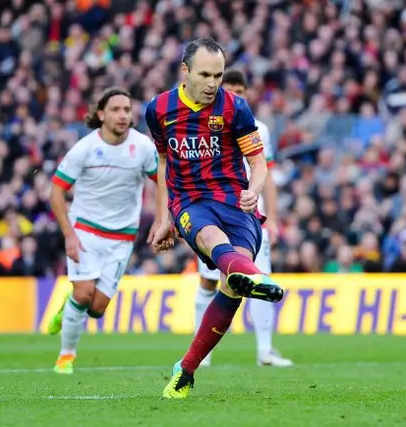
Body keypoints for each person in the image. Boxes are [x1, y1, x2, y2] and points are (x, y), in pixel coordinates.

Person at [145, 37, 284, 399]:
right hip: (190, 201)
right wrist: (164, 217)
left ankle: (185, 369)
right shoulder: (158, 109)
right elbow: (162, 163)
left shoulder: (236, 108)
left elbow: (258, 162)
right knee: (209, 239)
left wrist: (254, 189)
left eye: (218, 75)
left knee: (231, 285)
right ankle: (256, 276)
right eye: (205, 74)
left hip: (237, 202)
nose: (212, 83)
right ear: (185, 71)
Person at [48, 87, 160, 374]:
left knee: (96, 308)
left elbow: (164, 182)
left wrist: (164, 219)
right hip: (85, 229)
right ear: (101, 114)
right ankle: (66, 357)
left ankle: (67, 307)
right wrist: (69, 234)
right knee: (84, 293)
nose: (123, 115)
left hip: (121, 238)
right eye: (116, 110)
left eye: (127, 109)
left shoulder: (143, 147)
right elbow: (57, 191)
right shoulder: (85, 149)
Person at [194, 69, 293, 368]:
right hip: (214, 211)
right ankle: (204, 350)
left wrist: (273, 218)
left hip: (251, 215)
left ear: (247, 93)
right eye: (231, 89)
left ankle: (265, 350)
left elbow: (268, 174)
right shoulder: (207, 123)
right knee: (210, 281)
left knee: (258, 277)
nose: (236, 94)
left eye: (241, 90)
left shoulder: (258, 128)